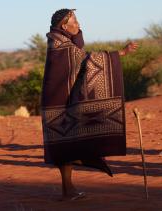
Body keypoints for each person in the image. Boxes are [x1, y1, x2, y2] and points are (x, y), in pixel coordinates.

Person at [41, 8, 138, 200]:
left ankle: (68, 190)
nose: (78, 24)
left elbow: (79, 56)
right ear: (63, 25)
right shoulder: (60, 45)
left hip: (63, 100)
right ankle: (68, 190)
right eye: (74, 21)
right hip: (58, 103)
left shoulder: (62, 41)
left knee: (68, 145)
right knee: (65, 146)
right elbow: (84, 59)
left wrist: (78, 35)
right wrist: (121, 53)